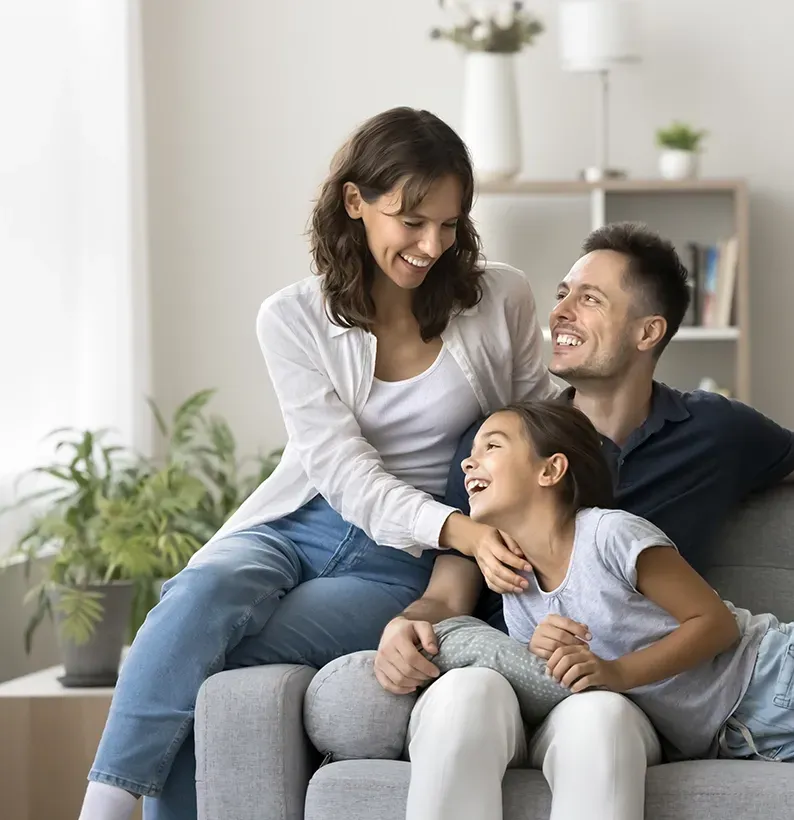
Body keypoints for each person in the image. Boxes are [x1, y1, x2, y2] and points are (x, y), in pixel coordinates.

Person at [77, 106, 557, 820]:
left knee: (215, 661)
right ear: (355, 202)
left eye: (450, 224)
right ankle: (102, 806)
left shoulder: (498, 298)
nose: (432, 245)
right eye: (412, 220)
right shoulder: (292, 317)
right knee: (198, 596)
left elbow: (539, 419)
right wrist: (464, 531)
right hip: (302, 520)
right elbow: (343, 474)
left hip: (401, 560)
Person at [374, 222, 794, 820]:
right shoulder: (501, 450)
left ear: (649, 332)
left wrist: (610, 669)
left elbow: (716, 624)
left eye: (589, 299)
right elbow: (446, 595)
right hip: (525, 689)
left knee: (602, 724)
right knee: (469, 700)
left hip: (668, 696)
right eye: (563, 294)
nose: (560, 314)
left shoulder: (719, 433)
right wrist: (408, 625)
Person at [463, 400, 789, 766]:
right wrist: (539, 652)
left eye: (492, 446)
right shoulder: (517, 591)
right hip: (733, 735)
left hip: (771, 677)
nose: (468, 461)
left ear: (551, 470)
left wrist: (617, 673)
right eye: (472, 452)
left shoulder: (610, 534)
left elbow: (717, 624)